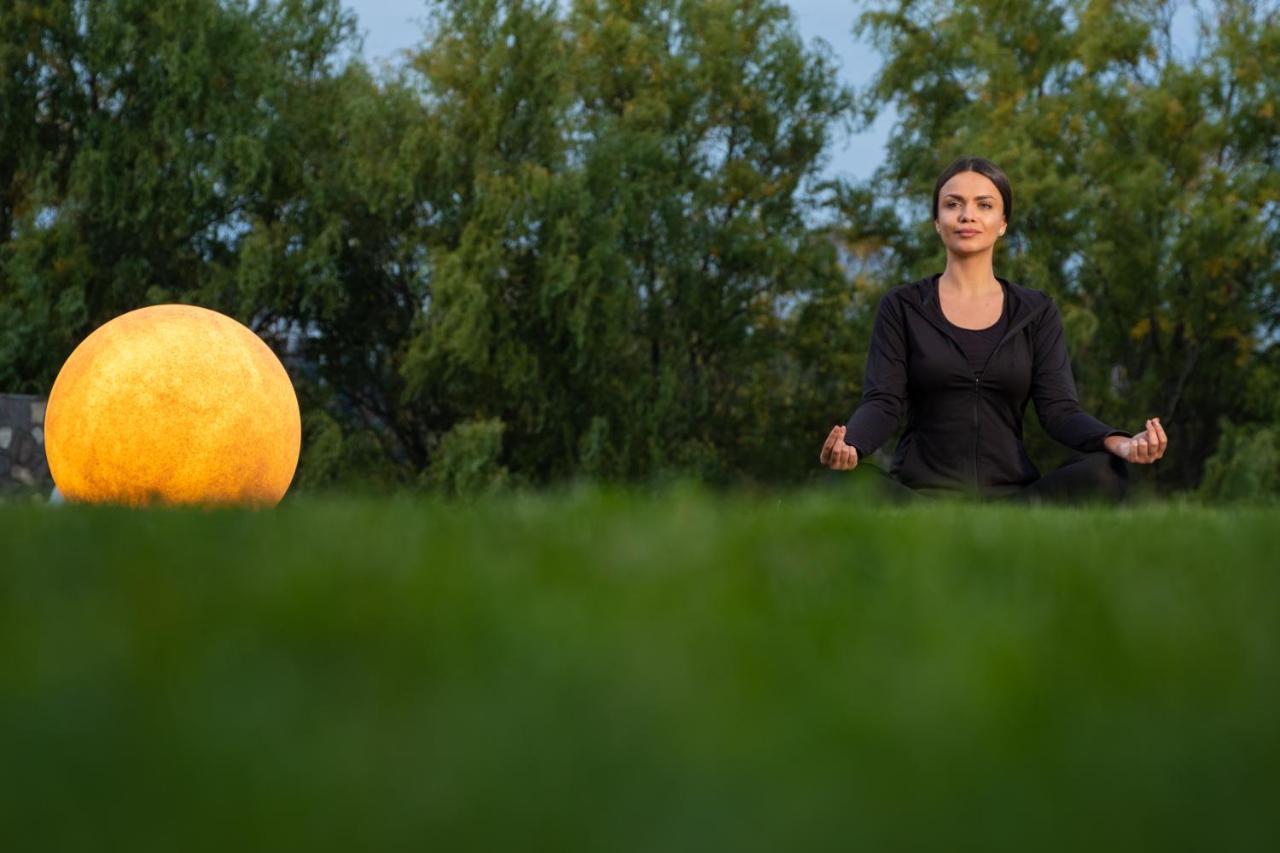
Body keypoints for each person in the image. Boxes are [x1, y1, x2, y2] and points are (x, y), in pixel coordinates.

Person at [819, 156, 1168, 504]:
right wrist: (851, 445)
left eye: (984, 205)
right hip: (920, 499)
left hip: (1014, 501)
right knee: (843, 481)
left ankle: (1006, 527)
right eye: (953, 204)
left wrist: (1120, 442)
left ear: (1002, 223)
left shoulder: (1036, 311)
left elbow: (1060, 410)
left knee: (1106, 473)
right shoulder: (903, 307)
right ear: (937, 222)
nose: (967, 215)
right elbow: (883, 402)